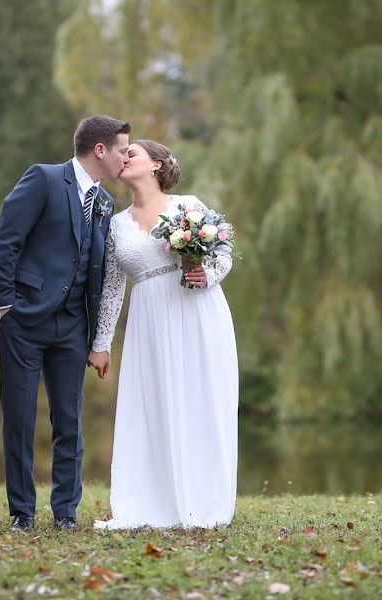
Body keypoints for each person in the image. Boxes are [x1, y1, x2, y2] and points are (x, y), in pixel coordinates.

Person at [0, 115, 130, 533]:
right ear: (100, 149)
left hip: (72, 325)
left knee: (69, 419)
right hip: (24, 319)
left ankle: (65, 512)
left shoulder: (104, 203)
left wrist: (97, 334)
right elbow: (6, 239)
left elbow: (100, 269)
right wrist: (3, 303)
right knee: (20, 418)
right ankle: (22, 513)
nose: (126, 156)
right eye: (122, 149)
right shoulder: (44, 180)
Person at [88, 139, 238, 529]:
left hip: (198, 311)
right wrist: (102, 344)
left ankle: (204, 501)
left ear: (156, 165)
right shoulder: (115, 225)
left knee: (201, 399)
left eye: (132, 154)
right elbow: (111, 288)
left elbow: (222, 253)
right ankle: (154, 502)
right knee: (154, 403)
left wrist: (208, 274)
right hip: (149, 322)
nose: (124, 159)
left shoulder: (188, 206)